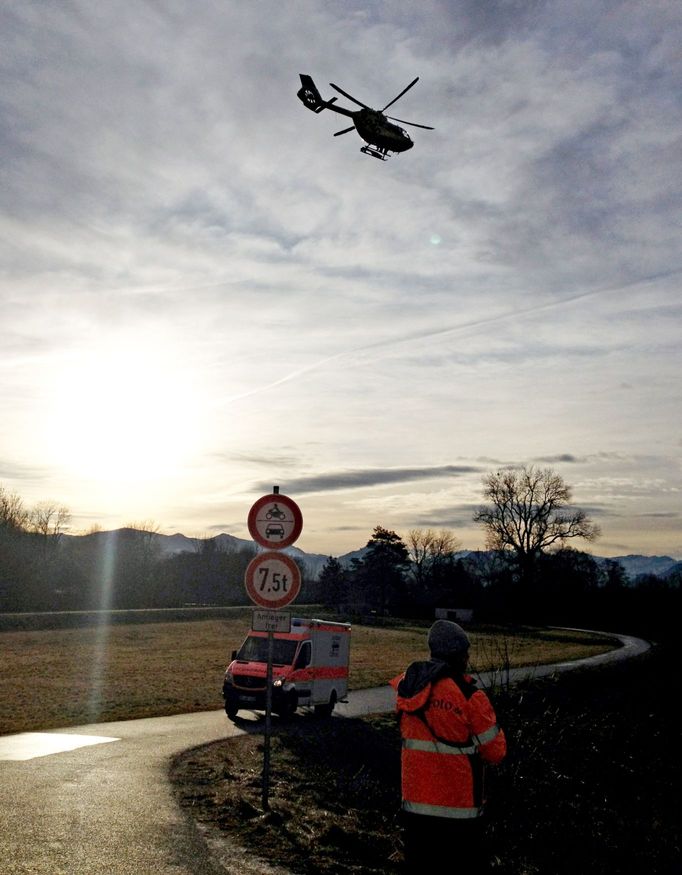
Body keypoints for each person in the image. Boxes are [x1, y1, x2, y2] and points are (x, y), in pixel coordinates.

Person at [391, 620, 507, 872]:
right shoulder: (470, 696)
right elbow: (496, 752)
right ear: (460, 655)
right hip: (459, 814)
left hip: (414, 810)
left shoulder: (408, 689)